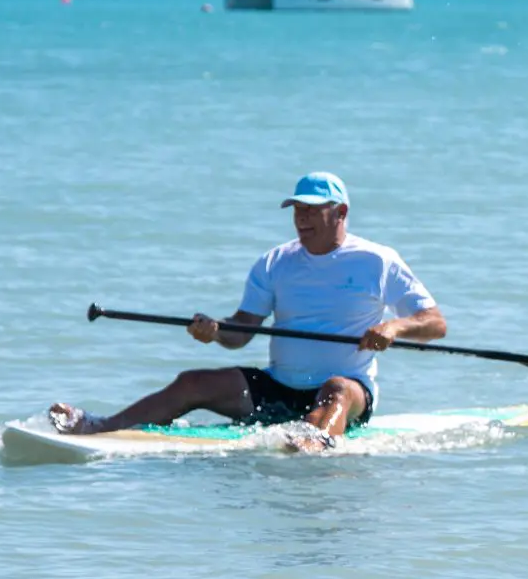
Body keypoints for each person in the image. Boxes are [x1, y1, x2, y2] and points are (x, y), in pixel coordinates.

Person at [49, 172, 447, 447]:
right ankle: (101, 428)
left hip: (349, 391)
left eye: (312, 209)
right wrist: (216, 331)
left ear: (340, 212)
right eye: (296, 209)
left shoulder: (378, 261)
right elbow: (241, 333)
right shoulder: (275, 262)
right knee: (192, 382)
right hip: (278, 388)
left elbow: (434, 323)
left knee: (336, 389)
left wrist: (393, 328)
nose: (301, 218)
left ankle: (312, 442)